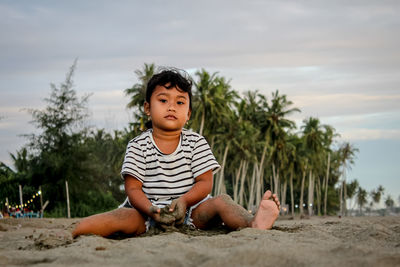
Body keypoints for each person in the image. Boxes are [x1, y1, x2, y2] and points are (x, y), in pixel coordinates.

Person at [72, 68, 280, 238]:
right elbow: (133, 188)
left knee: (222, 201)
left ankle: (252, 222)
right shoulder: (137, 145)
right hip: (146, 214)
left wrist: (184, 202)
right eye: (163, 101)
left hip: (191, 213)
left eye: (180, 102)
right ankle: (77, 230)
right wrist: (151, 209)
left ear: (188, 114)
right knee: (120, 216)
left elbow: (205, 183)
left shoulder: (196, 142)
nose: (172, 106)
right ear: (147, 108)